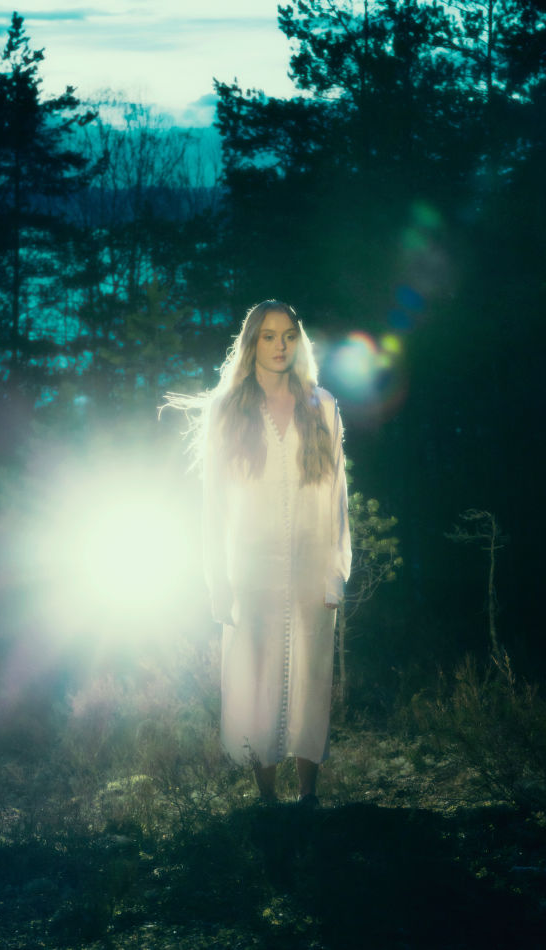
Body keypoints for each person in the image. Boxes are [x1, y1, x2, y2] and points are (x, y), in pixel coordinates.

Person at [166, 300, 351, 805]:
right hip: (251, 570)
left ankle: (309, 798)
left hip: (312, 567)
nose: (279, 346)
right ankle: (266, 801)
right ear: (251, 344)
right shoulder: (229, 410)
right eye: (268, 336)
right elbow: (214, 505)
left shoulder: (322, 406)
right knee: (257, 679)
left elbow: (337, 498)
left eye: (288, 335)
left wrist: (335, 573)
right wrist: (218, 581)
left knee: (311, 677)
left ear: (299, 341)